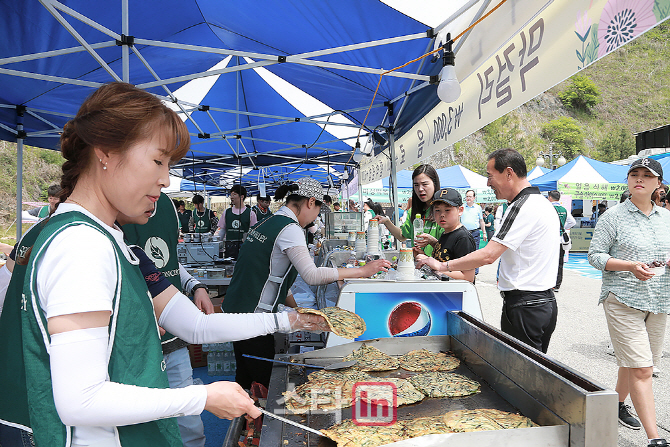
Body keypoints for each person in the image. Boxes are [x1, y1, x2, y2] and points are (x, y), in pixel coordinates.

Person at [0, 82, 262, 447]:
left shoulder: (99, 236)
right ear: (105, 152)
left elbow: (195, 325)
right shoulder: (82, 244)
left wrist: (289, 320)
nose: (165, 179)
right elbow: (82, 400)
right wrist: (202, 397)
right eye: (158, 160)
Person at [222, 177, 391, 389]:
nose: (314, 218)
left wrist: (297, 308)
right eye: (318, 211)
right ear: (311, 202)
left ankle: (246, 413)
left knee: (246, 377)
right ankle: (258, 417)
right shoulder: (290, 228)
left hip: (237, 309)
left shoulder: (269, 221)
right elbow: (312, 275)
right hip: (254, 318)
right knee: (263, 382)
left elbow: (275, 276)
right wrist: (363, 271)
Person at [417, 149, 560, 353]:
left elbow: (488, 254)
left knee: (520, 373)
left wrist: (441, 265)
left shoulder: (522, 206)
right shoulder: (543, 204)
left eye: (490, 176)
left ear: (508, 173)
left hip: (525, 306)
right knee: (533, 372)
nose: (488, 183)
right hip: (542, 302)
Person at [120, 192, 214, 447]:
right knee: (144, 420)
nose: (163, 178)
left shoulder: (167, 206)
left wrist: (196, 285)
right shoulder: (113, 209)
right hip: (139, 345)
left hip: (173, 338)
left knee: (188, 416)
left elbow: (168, 262)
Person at [588, 158, 670, 446]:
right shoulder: (612, 217)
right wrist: (630, 266)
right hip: (622, 299)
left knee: (635, 363)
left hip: (659, 301)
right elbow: (595, 256)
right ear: (628, 181)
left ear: (658, 184)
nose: (639, 179)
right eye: (634, 174)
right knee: (643, 369)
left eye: (647, 175)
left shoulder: (667, 219)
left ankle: (613, 405)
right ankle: (656, 438)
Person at [377, 164, 443, 257]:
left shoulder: (443, 211)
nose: (420, 189)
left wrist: (431, 243)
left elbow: (449, 247)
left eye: (425, 184)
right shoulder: (413, 211)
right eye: (416, 185)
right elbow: (402, 236)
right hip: (417, 266)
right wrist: (387, 221)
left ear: (434, 184)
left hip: (438, 267)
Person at [415, 188, 477, 282]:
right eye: (437, 210)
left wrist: (432, 263)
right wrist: (425, 255)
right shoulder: (446, 232)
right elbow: (446, 254)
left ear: (460, 210)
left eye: (447, 210)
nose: (442, 215)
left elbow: (468, 278)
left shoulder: (463, 238)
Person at [216, 185, 257, 259]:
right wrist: (217, 245)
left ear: (241, 196)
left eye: (234, 195)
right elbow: (222, 230)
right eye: (231, 195)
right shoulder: (226, 212)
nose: (231, 197)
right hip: (229, 247)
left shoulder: (250, 213)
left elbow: (253, 233)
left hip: (244, 248)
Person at [547, 191, 576, 292]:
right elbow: (573, 222)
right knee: (560, 263)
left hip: (550, 239)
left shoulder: (548, 208)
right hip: (560, 240)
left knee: (548, 261)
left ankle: (548, 283)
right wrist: (563, 227)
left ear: (550, 197)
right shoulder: (564, 210)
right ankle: (557, 285)